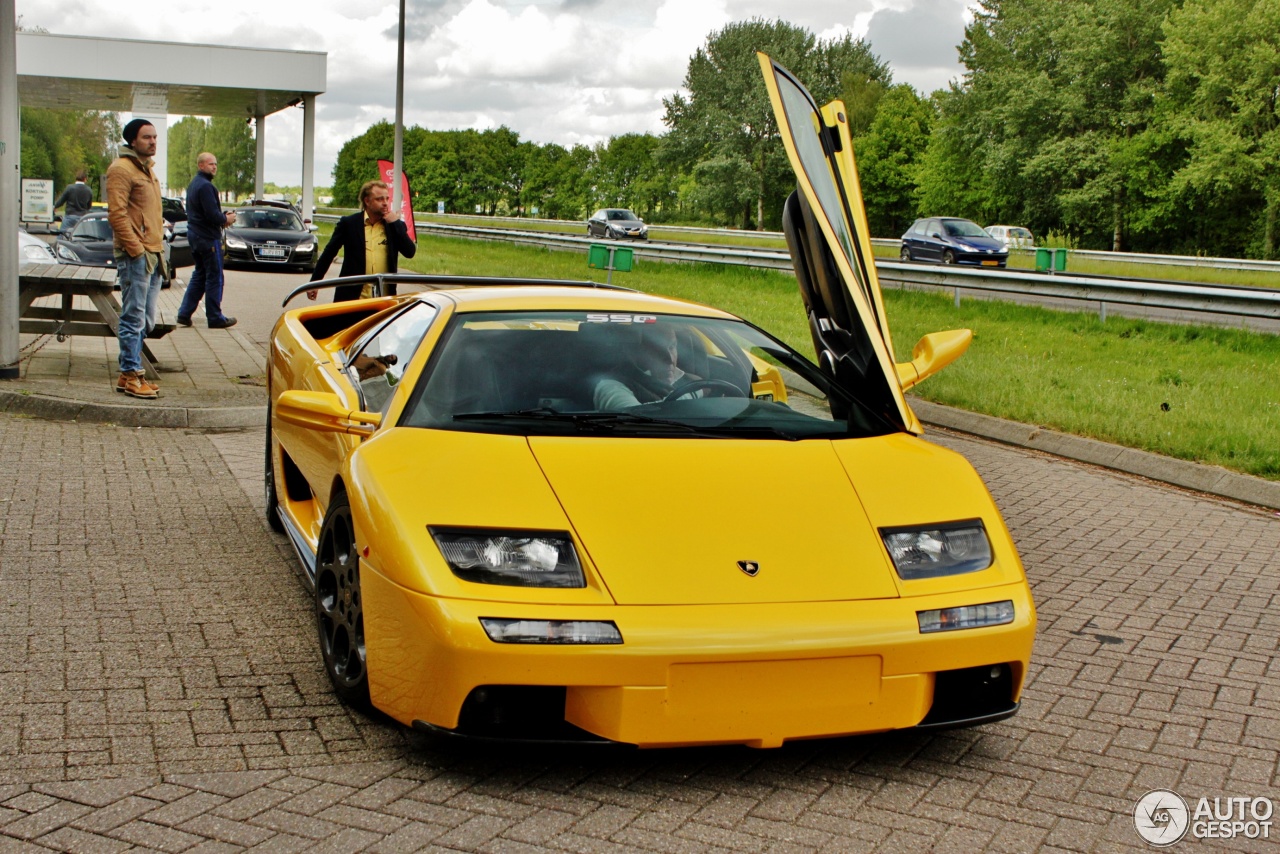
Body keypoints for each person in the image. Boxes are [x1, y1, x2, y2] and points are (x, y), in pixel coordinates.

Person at [105, 119, 166, 400]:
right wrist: (136, 250)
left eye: (154, 137)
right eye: (146, 137)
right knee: (132, 316)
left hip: (153, 253)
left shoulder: (148, 170)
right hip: (136, 255)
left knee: (147, 320)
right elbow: (117, 215)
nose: (153, 142)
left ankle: (127, 372)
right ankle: (131, 374)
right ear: (132, 141)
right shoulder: (121, 169)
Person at [307, 180, 416, 302]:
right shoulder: (349, 224)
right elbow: (329, 253)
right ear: (367, 201)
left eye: (387, 199)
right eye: (379, 199)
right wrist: (315, 283)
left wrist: (395, 223)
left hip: (384, 299)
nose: (385, 203)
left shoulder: (394, 226)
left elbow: (410, 252)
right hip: (352, 298)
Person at [177, 152, 238, 329]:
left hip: (195, 235)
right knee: (214, 276)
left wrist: (220, 218)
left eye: (215, 164)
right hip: (207, 238)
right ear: (201, 166)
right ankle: (215, 316)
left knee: (200, 275)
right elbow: (212, 215)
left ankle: (184, 313)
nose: (214, 167)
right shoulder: (206, 187)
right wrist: (226, 219)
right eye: (210, 164)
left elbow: (203, 212)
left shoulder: (194, 185)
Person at [593, 323, 704, 410]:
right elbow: (637, 420)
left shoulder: (689, 380)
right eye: (657, 350)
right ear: (634, 352)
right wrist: (695, 393)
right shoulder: (611, 386)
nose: (670, 359)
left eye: (672, 347)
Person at [53, 171, 94, 235]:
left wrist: (55, 206)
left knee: (62, 236)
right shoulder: (89, 190)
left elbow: (61, 201)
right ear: (85, 179)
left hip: (70, 216)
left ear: (76, 178)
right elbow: (89, 206)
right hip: (82, 218)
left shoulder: (69, 188)